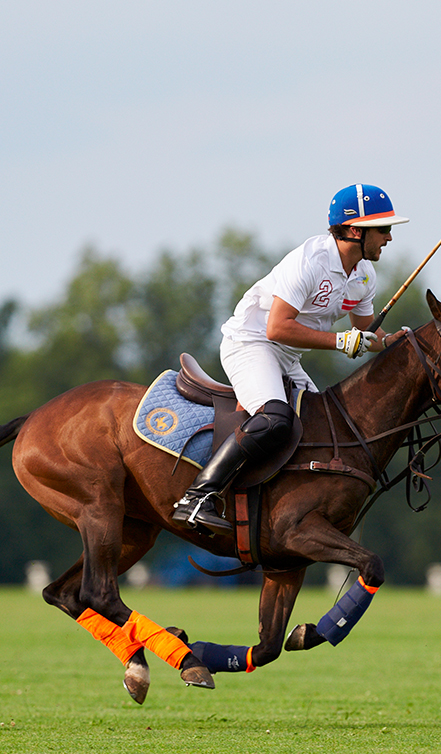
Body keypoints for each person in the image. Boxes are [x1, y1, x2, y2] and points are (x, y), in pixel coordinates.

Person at [172, 184, 409, 533]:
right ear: (356, 230)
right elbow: (277, 328)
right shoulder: (310, 261)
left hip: (287, 356)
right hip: (251, 344)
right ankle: (197, 497)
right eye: (383, 229)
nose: (389, 238)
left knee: (323, 426)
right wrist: (341, 341)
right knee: (275, 418)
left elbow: (363, 333)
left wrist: (392, 342)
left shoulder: (363, 275)